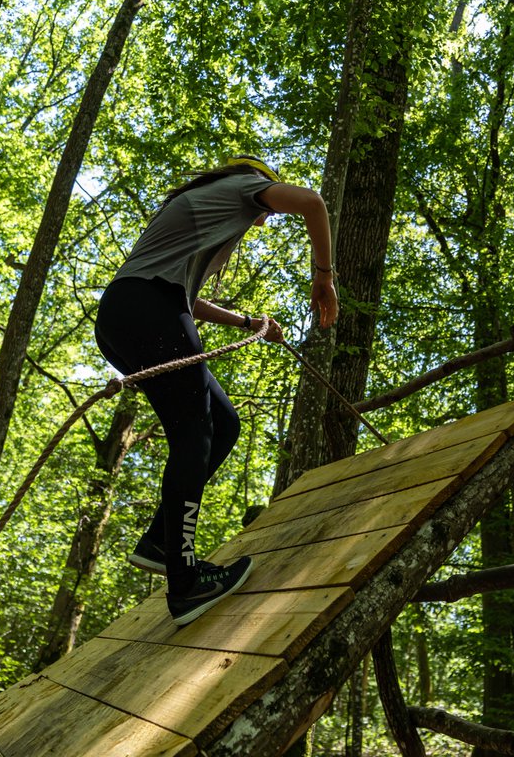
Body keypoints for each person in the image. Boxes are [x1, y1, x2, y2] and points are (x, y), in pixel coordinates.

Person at [94, 155, 338, 626]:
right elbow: (312, 202)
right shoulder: (245, 187)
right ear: (256, 182)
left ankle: (163, 543)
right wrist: (323, 280)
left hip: (132, 314)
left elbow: (188, 301)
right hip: (146, 311)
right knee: (194, 432)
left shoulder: (202, 211)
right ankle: (185, 584)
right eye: (265, 208)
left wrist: (248, 323)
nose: (265, 217)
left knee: (222, 423)